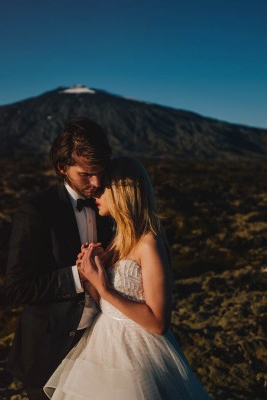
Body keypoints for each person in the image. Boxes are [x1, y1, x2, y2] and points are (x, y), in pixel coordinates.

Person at [44, 156, 211, 399]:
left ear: (121, 193)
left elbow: (158, 322)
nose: (94, 194)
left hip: (138, 352)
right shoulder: (118, 240)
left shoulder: (149, 244)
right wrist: (89, 272)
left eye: (102, 189)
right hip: (104, 343)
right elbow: (107, 305)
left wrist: (104, 288)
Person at [5, 118, 114, 400]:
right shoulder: (36, 212)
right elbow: (18, 288)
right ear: (61, 168)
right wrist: (79, 275)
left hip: (102, 345)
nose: (97, 182)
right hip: (49, 350)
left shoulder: (111, 203)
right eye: (86, 174)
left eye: (100, 172)